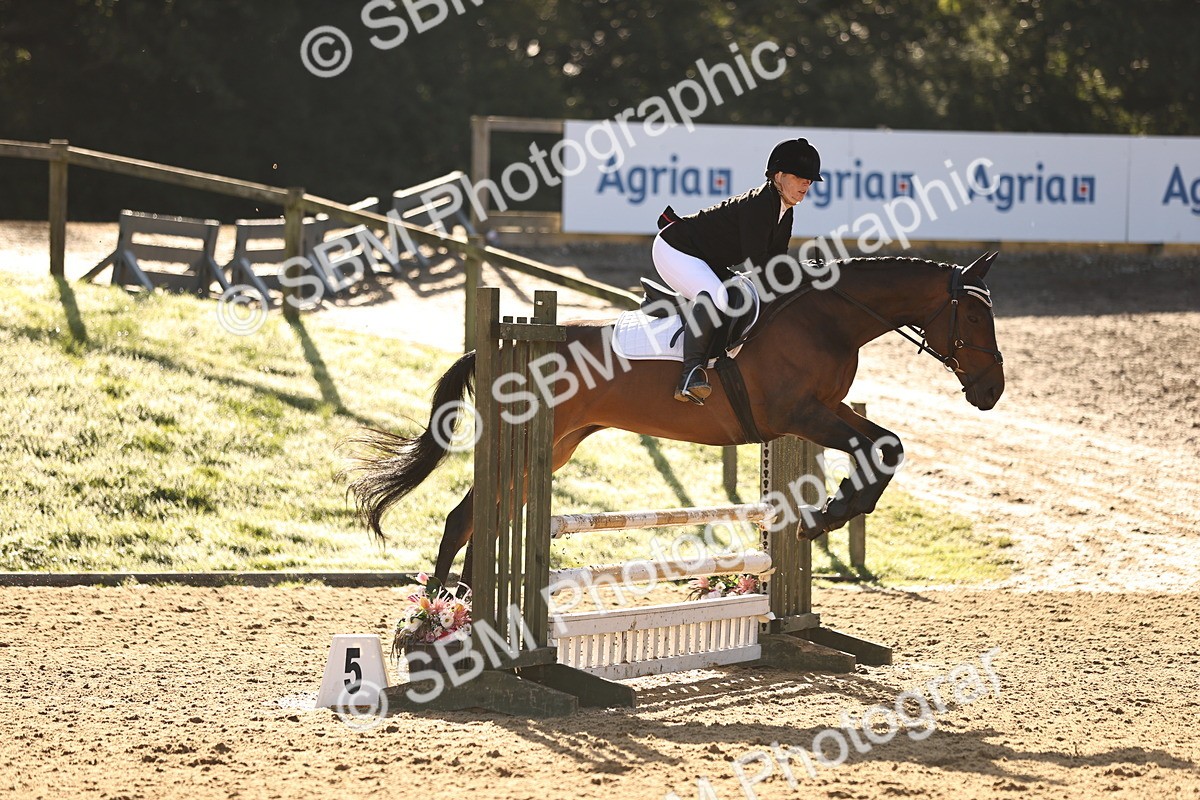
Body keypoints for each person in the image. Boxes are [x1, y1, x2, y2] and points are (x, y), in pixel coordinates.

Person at [653, 137, 823, 404]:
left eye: (810, 180)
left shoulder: (784, 211)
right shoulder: (759, 205)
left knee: (741, 294)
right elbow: (759, 265)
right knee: (717, 295)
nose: (807, 184)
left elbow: (776, 264)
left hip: (704, 259)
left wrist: (803, 276)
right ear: (778, 176)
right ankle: (689, 375)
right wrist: (800, 273)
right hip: (675, 248)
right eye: (801, 177)